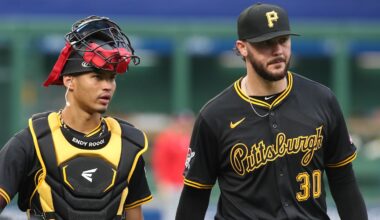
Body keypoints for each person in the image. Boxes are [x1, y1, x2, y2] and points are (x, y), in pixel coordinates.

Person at [176, 3, 368, 220]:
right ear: (242, 47)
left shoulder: (322, 99)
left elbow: (344, 182)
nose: (277, 50)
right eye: (265, 43)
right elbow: (195, 196)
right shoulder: (214, 116)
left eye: (283, 40)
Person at [0, 16, 152, 220]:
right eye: (97, 77)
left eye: (111, 78)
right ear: (69, 81)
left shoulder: (128, 143)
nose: (107, 86)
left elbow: (135, 216)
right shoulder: (33, 140)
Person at [151, 112, 194, 220]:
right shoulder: (166, 139)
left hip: (189, 184)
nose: (184, 126)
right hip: (171, 185)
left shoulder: (192, 138)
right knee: (171, 215)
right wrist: (162, 182)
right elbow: (159, 162)